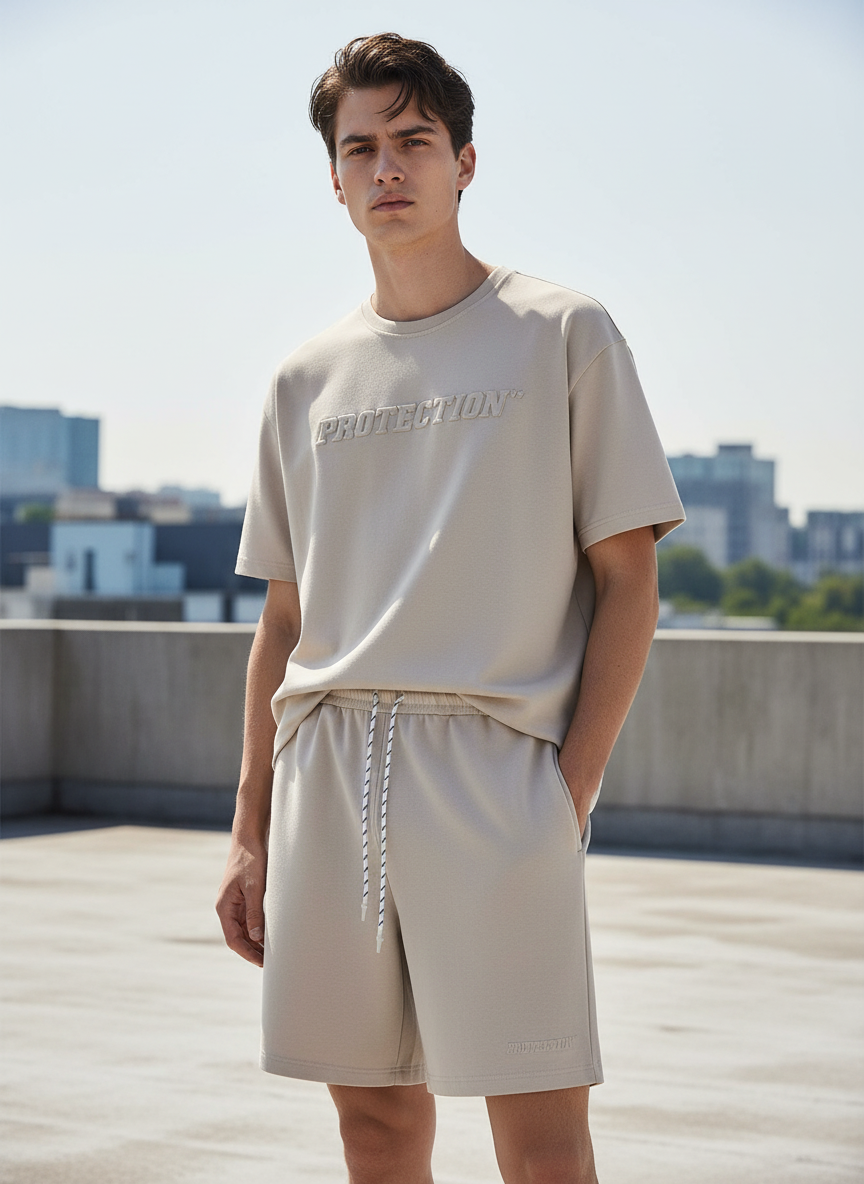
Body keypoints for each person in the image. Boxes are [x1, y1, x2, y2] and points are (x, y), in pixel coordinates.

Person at [216, 32, 684, 1183]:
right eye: (360, 147)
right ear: (332, 177)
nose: (387, 167)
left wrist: (564, 791)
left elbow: (630, 580)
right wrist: (249, 830)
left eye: (414, 140)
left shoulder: (562, 332)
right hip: (327, 770)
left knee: (540, 1130)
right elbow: (284, 621)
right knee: (373, 1126)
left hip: (493, 774)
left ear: (465, 162)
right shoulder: (303, 378)